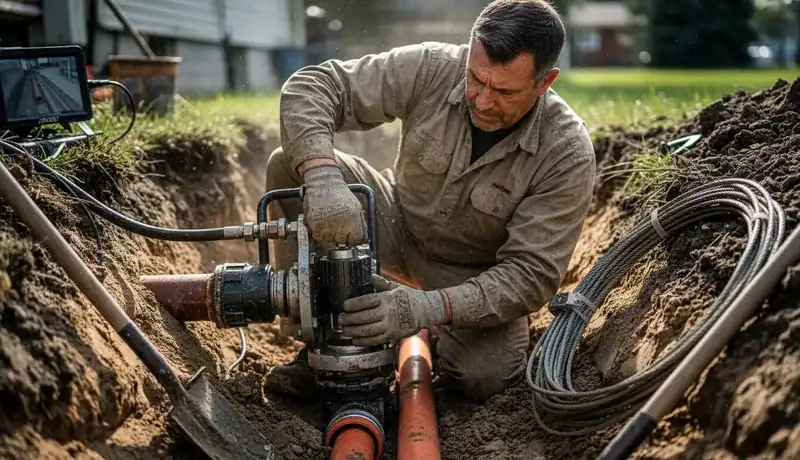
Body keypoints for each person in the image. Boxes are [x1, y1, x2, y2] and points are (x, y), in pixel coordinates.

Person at [264, 0, 596, 403]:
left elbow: (530, 275)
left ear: (545, 82)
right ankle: (320, 342)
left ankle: (427, 343)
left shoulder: (566, 152)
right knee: (289, 167)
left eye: (504, 91)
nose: (483, 100)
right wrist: (322, 175)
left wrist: (427, 309)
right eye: (476, 79)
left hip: (471, 274)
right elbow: (313, 86)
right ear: (470, 49)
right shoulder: (432, 67)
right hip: (392, 223)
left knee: (483, 379)